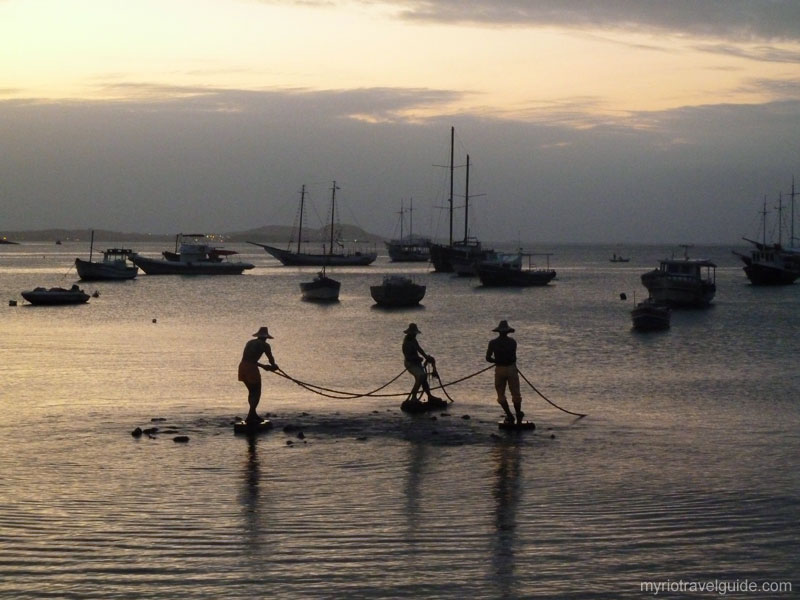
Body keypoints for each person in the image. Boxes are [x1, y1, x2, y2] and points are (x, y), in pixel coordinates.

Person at [486, 320, 524, 424]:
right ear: (507, 332)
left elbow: (488, 358)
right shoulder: (512, 342)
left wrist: (497, 360)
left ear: (499, 331)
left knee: (500, 394)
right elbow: (513, 358)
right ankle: (518, 415)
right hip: (511, 368)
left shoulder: (493, 343)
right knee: (516, 393)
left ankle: (509, 415)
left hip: (499, 369)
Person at [238, 326, 278, 424]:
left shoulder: (250, 342)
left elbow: (249, 359)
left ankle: (253, 414)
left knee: (252, 392)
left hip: (242, 367)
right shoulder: (265, 345)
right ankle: (250, 416)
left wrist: (264, 366)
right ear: (265, 337)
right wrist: (273, 366)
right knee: (257, 392)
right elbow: (271, 359)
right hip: (251, 369)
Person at [402, 323, 442, 406]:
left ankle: (429, 396)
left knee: (424, 377)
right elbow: (408, 357)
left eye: (415, 333)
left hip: (416, 362)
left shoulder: (414, 340)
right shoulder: (406, 343)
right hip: (410, 363)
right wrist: (418, 359)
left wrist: (426, 357)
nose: (415, 335)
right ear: (410, 333)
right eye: (414, 333)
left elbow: (419, 349)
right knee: (420, 376)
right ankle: (413, 397)